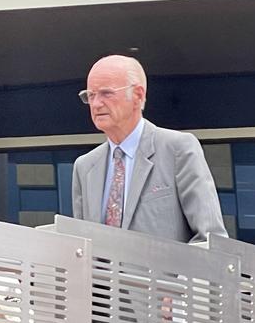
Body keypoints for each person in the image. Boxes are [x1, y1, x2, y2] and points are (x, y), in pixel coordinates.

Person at [72, 55, 227, 243]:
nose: (96, 104)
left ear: (137, 95)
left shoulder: (178, 149)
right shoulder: (84, 167)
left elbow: (210, 239)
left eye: (106, 93)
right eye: (90, 95)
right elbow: (81, 246)